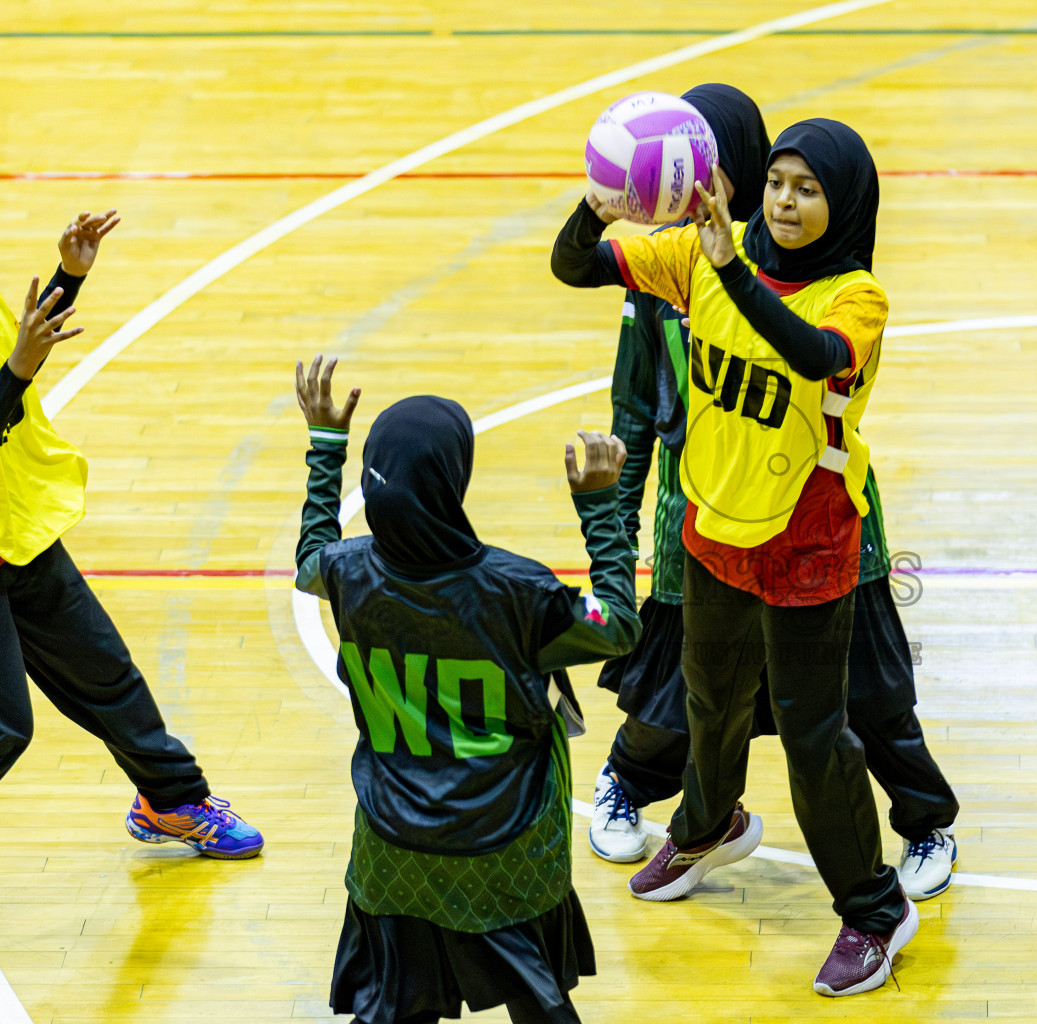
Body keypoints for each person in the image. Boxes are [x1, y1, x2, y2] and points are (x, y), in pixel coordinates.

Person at [552, 118, 916, 996]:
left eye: (808, 188)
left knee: (810, 733)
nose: (786, 201)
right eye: (779, 183)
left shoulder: (855, 296)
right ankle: (708, 823)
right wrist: (598, 203)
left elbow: (814, 356)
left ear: (844, 201)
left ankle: (875, 910)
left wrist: (728, 268)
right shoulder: (697, 252)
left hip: (807, 542)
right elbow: (574, 266)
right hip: (714, 528)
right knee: (708, 703)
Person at [293, 355, 640, 1024]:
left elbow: (311, 556)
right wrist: (602, 506)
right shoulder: (524, 592)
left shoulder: (344, 572)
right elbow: (618, 623)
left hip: (393, 844)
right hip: (506, 843)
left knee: (395, 1004)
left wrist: (325, 447)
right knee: (539, 1003)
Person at [0, 211, 263, 859]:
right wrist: (18, 373)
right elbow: (15, 371)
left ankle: (172, 803)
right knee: (7, 725)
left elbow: (25, 345)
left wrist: (71, 275)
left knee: (107, 676)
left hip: (18, 524)